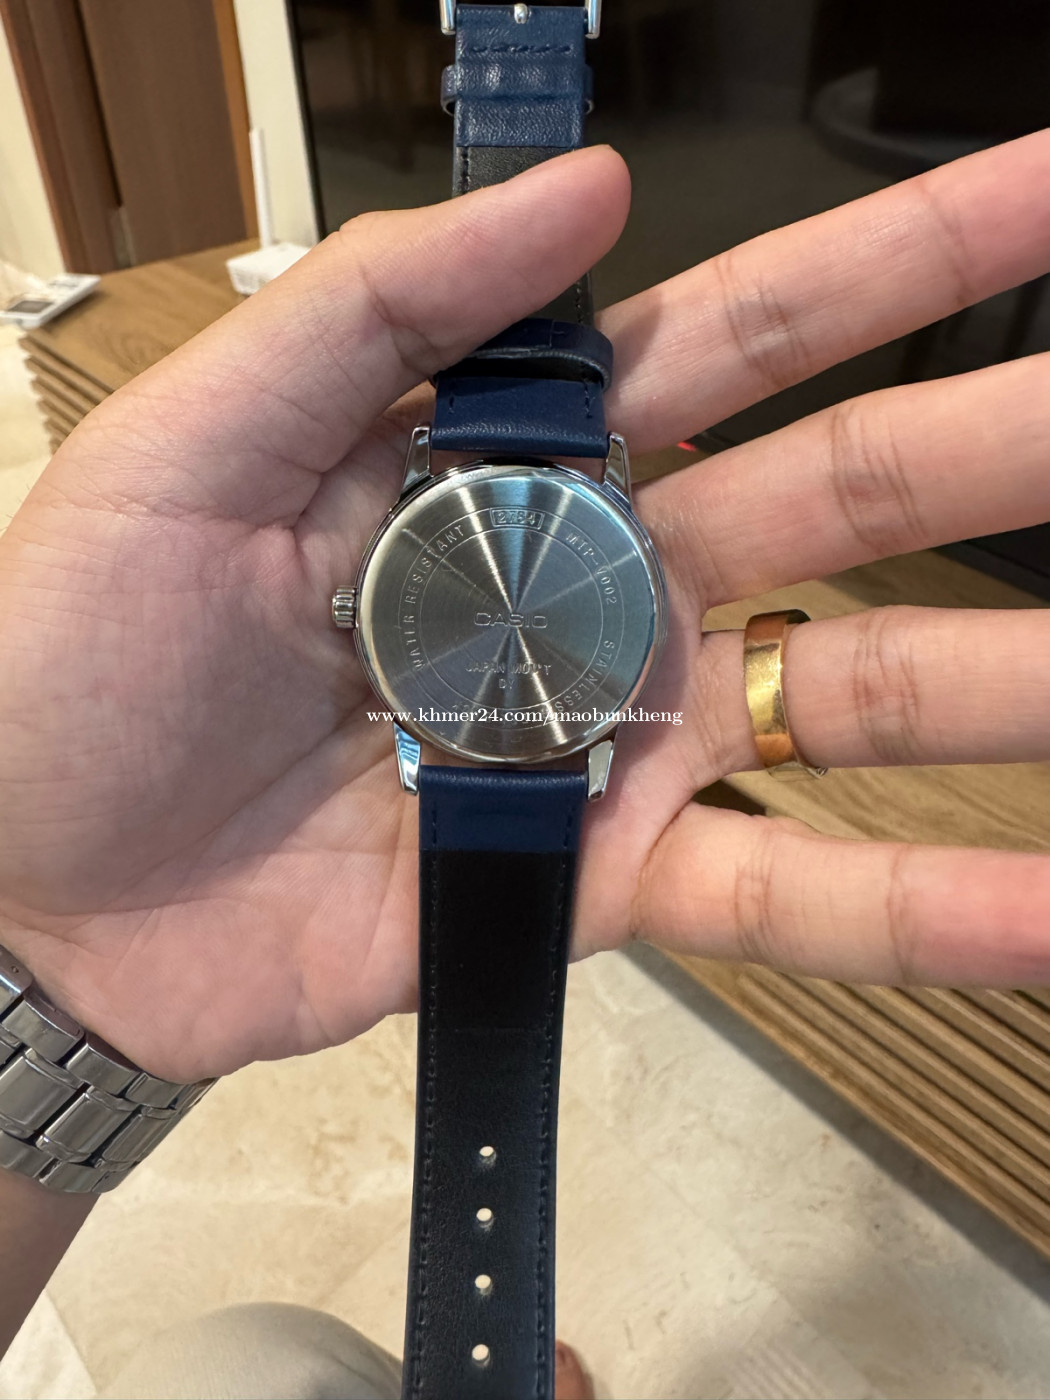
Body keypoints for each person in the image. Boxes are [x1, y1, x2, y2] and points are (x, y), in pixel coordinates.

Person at [2, 129, 1050, 1396]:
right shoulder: (486, 550)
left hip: (529, 733)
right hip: (502, 733)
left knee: (242, 1356)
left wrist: (52, 976)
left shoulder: (511, 555)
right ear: (361, 615)